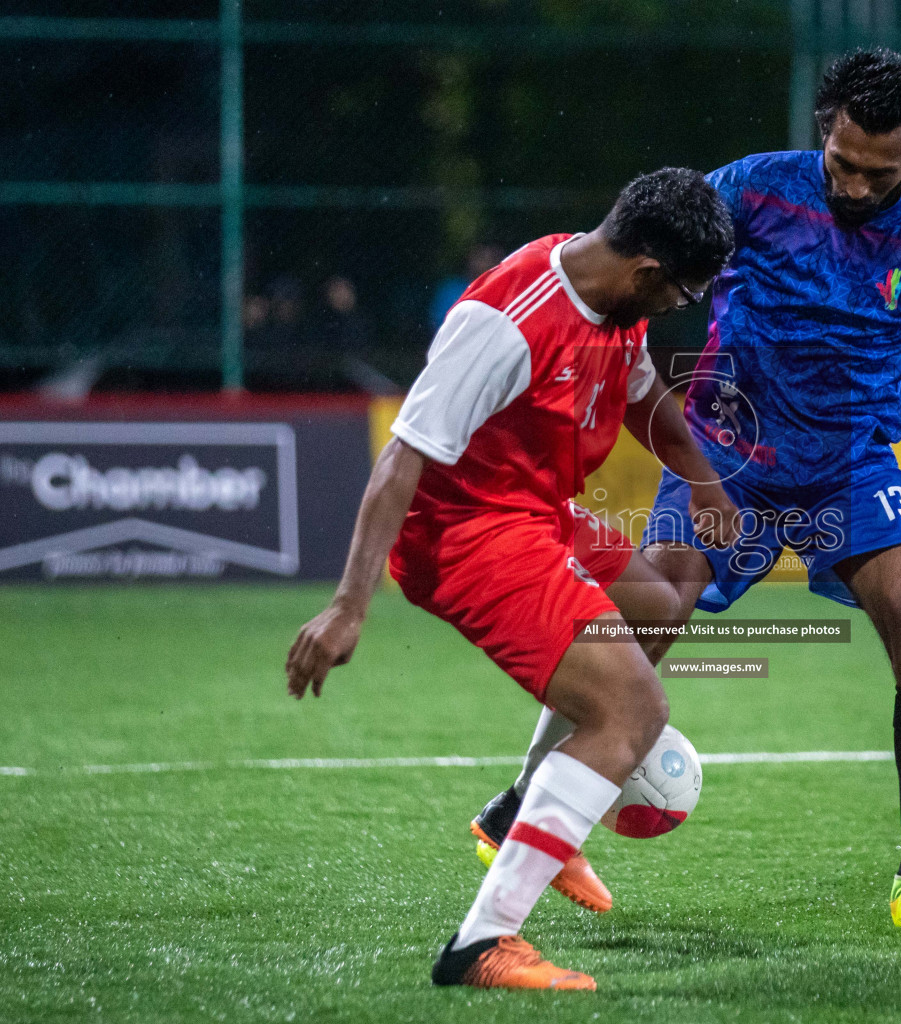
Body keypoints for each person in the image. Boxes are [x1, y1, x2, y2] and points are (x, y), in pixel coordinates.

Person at [468, 49, 901, 939]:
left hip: (852, 467)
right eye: (844, 164)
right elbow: (637, 257)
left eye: (883, 172)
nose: (860, 186)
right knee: (635, 626)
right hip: (730, 456)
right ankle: (519, 812)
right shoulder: (751, 190)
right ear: (822, 132)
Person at [285, 168, 739, 990]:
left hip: (535, 510)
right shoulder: (505, 321)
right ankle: (482, 943)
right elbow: (402, 457)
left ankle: (520, 810)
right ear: (646, 272)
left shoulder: (612, 294)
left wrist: (706, 484)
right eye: (681, 293)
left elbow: (642, 399)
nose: (681, 307)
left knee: (662, 605)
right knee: (633, 707)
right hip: (464, 536)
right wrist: (349, 606)